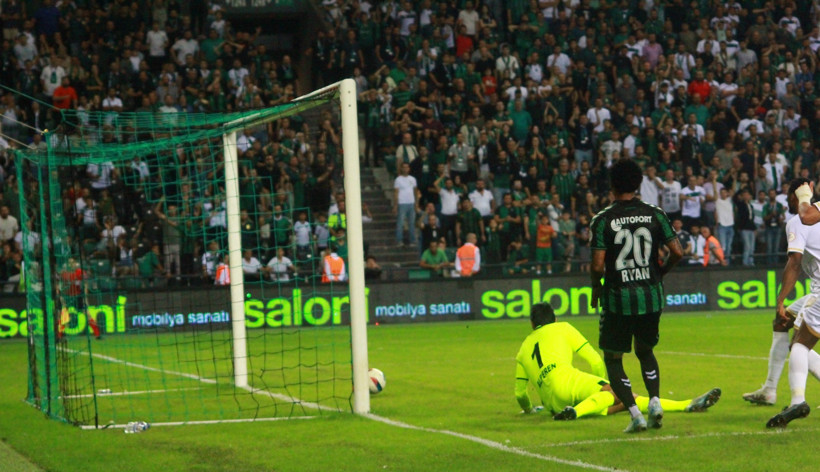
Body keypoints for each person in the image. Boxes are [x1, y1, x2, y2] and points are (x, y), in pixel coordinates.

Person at [590, 159, 684, 433]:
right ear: (639, 183)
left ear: (611, 185)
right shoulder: (655, 214)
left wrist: (597, 288)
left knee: (613, 358)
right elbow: (677, 251)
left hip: (617, 299)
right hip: (650, 296)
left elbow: (597, 265)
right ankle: (654, 401)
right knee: (645, 351)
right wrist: (660, 273)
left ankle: (635, 414)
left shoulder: (602, 219)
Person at [515, 302, 720, 421]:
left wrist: (529, 409)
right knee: (616, 393)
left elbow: (520, 393)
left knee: (621, 403)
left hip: (552, 404)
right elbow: (595, 360)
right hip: (570, 382)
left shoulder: (523, 349)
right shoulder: (563, 328)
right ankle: (685, 405)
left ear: (532, 324)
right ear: (555, 319)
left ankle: (686, 406)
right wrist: (603, 385)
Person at [744, 178, 820, 407]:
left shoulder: (798, 221)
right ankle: (769, 389)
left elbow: (794, 263)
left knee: (800, 343)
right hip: (816, 290)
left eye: (789, 196)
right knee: (781, 322)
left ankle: (797, 400)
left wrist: (780, 299)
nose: (786, 202)